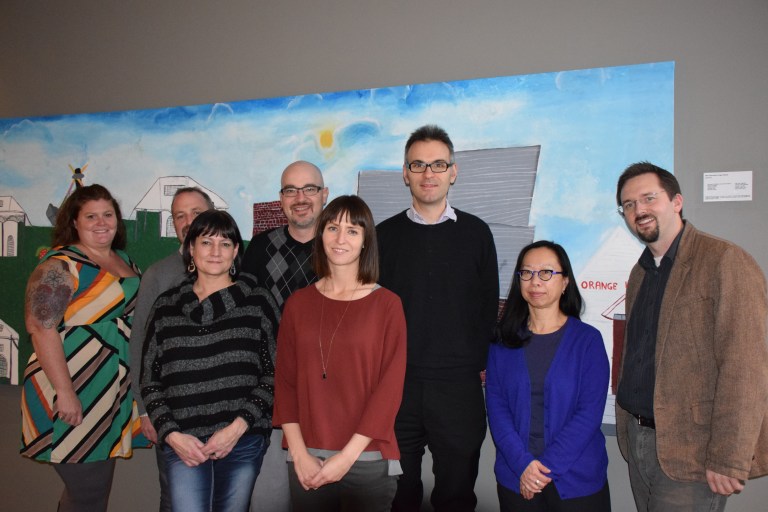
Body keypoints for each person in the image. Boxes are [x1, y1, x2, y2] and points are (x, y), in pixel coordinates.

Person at [614, 162, 768, 511]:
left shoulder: (725, 261)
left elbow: (746, 368)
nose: (639, 210)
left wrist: (730, 457)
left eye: (648, 198)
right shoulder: (639, 274)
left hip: (694, 452)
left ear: (677, 202)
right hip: (639, 440)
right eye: (628, 205)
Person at [376, 125, 499, 511]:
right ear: (405, 173)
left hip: (458, 389)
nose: (428, 173)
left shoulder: (477, 234)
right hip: (397, 387)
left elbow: (486, 308)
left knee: (456, 496)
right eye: (418, 164)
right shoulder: (382, 236)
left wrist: (476, 365)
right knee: (399, 495)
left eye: (438, 164)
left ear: (453, 172)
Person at [273, 195, 407, 512]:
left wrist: (344, 459)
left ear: (365, 242)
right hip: (306, 459)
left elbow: (389, 391)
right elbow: (285, 382)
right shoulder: (297, 304)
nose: (340, 238)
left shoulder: (388, 305)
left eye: (352, 230)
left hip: (367, 457)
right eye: (333, 228)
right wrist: (300, 452)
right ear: (321, 236)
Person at [140, 210, 280, 512]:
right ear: (191, 249)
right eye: (206, 242)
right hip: (183, 444)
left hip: (241, 440)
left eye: (225, 243)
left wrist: (237, 428)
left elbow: (275, 374)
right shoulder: (166, 307)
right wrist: (172, 435)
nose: (216, 252)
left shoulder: (257, 301)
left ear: (236, 252)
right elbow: (150, 382)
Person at [20, 184, 145, 512]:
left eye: (108, 214)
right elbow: (40, 327)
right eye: (91, 216)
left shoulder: (124, 260)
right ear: (74, 221)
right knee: (88, 491)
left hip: (111, 388)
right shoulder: (61, 264)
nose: (102, 222)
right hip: (74, 386)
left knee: (93, 491)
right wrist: (65, 392)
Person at [486, 240, 611, 511]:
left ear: (565, 281)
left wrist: (543, 470)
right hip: (517, 477)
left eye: (546, 273)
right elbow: (497, 410)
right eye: (527, 273)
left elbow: (589, 414)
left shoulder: (588, 341)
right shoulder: (502, 343)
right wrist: (524, 466)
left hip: (577, 481)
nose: (535, 281)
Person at [242, 160, 328, 512]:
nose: (300, 197)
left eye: (309, 188)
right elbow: (245, 321)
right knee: (271, 499)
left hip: (329, 397)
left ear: (325, 194)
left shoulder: (343, 246)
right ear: (280, 200)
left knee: (324, 497)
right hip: (273, 396)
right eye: (290, 190)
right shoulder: (260, 249)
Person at [129, 186, 215, 511]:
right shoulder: (158, 275)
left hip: (224, 413)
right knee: (176, 498)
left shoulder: (236, 269)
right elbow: (140, 343)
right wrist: (145, 410)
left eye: (196, 212)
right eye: (180, 215)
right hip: (171, 415)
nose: (188, 220)